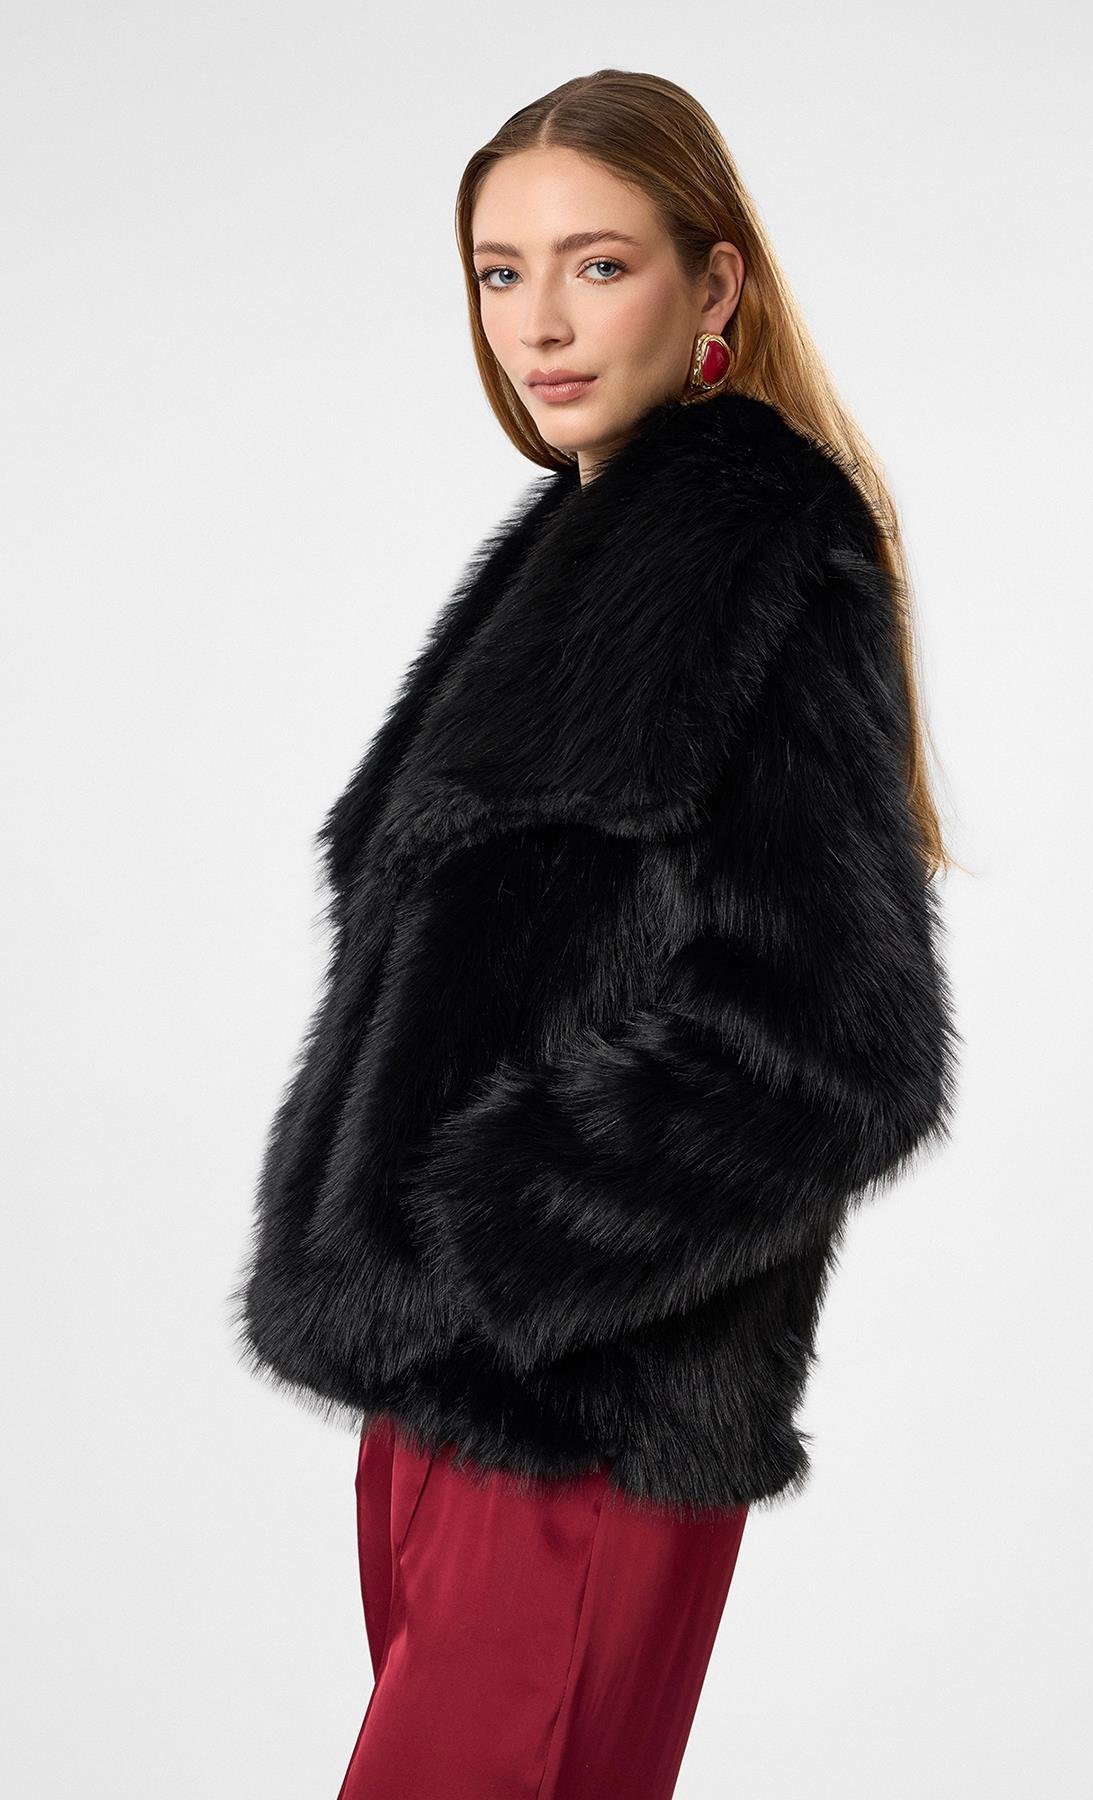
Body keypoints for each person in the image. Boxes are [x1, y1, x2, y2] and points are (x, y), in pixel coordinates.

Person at [228, 67, 959, 1800]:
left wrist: (502, 1242)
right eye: (501, 271)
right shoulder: (583, 545)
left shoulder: (750, 552)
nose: (538, 324)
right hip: (450, 1396)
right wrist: (423, 1292)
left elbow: (839, 1045)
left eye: (599, 265)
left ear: (716, 287)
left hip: (578, 1407)